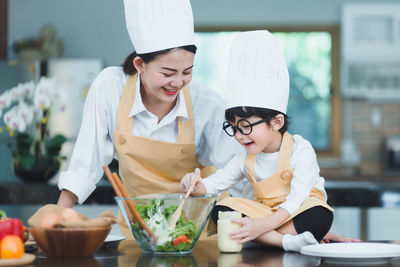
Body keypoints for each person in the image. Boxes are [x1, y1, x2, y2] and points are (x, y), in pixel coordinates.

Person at [56, 0, 240, 233]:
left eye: (187, 71)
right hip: (138, 233)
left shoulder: (207, 104)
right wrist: (56, 219)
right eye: (167, 73)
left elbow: (239, 166)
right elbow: (87, 161)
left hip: (196, 234)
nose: (178, 82)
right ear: (140, 64)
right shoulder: (110, 88)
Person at [180, 30, 335, 252]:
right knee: (222, 208)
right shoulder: (245, 157)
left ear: (276, 122)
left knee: (319, 215)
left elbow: (297, 198)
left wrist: (260, 226)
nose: (239, 135)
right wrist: (195, 185)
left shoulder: (300, 150)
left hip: (298, 211)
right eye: (233, 128)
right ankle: (284, 242)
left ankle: (261, 236)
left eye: (245, 126)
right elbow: (218, 182)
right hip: (270, 217)